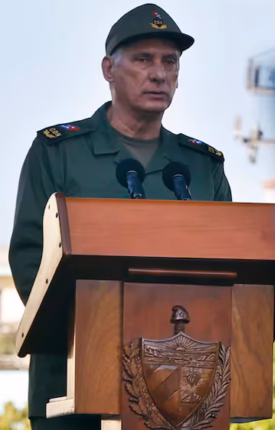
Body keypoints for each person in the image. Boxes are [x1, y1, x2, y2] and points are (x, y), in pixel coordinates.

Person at [9, 3, 231, 429]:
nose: (159, 73)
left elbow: (228, 270)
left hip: (183, 393)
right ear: (109, 69)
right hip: (72, 390)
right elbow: (30, 263)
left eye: (170, 61)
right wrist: (100, 330)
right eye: (144, 59)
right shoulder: (58, 153)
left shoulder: (201, 167)